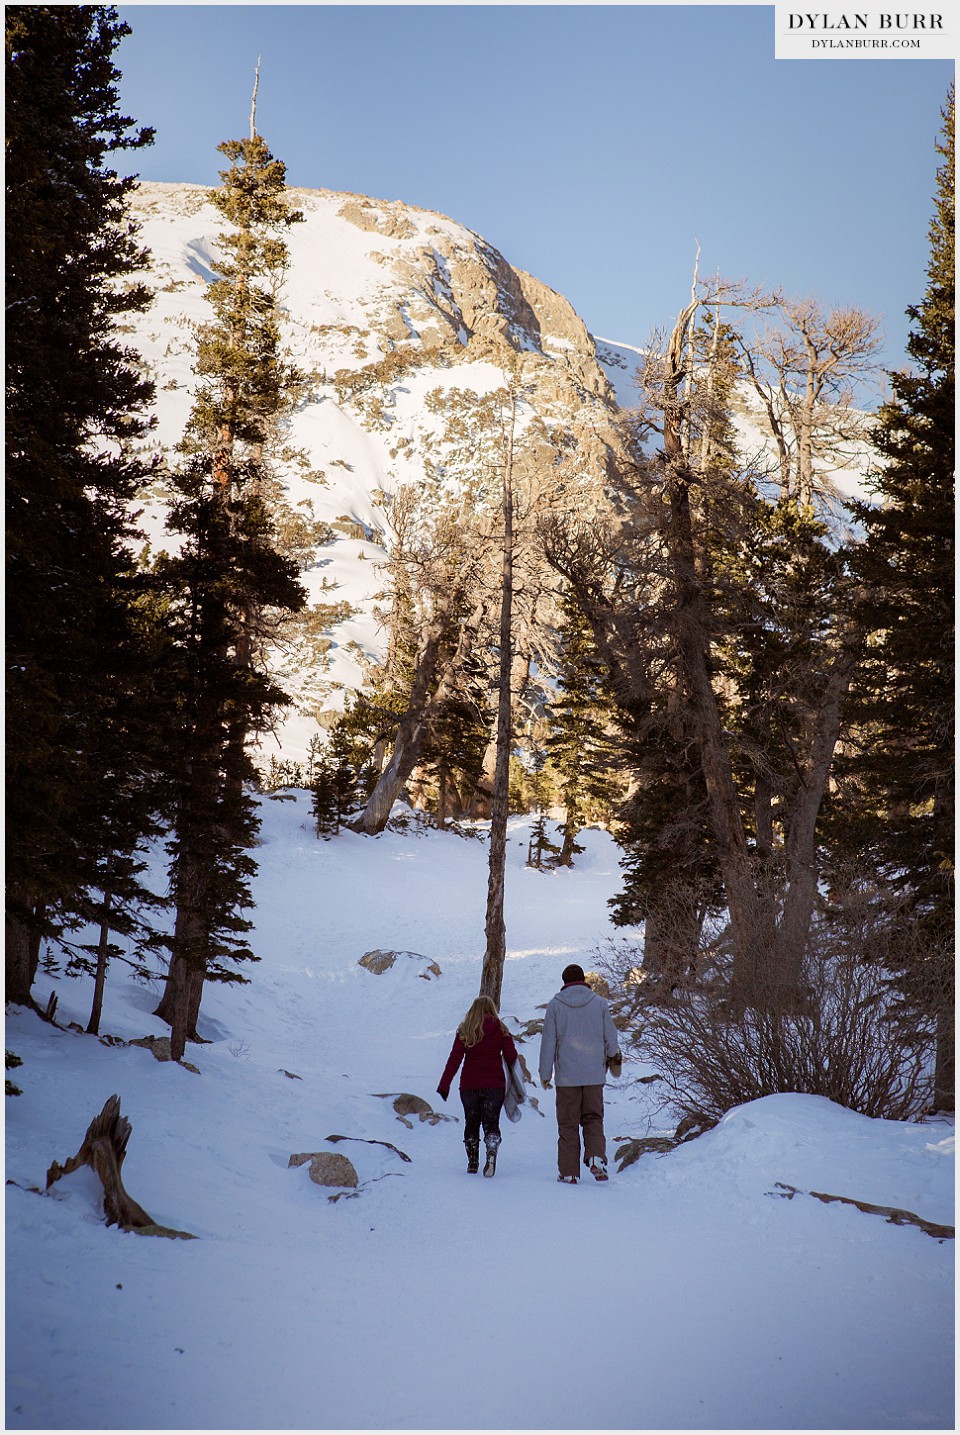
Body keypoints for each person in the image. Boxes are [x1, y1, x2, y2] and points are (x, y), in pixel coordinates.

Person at [539, 963, 622, 1184]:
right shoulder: (599, 1004)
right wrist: (612, 1056)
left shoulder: (555, 1006)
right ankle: (596, 1158)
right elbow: (611, 1038)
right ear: (584, 980)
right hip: (594, 1075)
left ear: (564, 982)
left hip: (567, 1078)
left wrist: (545, 1073)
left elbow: (549, 1042)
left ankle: (568, 1172)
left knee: (568, 1123)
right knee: (593, 1118)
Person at [437, 995, 519, 1177]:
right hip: (494, 1085)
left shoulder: (465, 1030)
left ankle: (472, 1160)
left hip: (469, 1085)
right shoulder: (501, 1029)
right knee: (491, 1122)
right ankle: (491, 1149)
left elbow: (455, 1059)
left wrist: (444, 1084)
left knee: (471, 1121)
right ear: (492, 1010)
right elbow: (511, 1056)